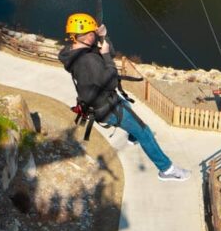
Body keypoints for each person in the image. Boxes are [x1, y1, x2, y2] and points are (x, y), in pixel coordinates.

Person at [59, 13, 191, 181]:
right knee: (145, 132)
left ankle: (132, 135)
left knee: (133, 117)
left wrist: (103, 37)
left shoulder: (72, 53)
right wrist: (105, 56)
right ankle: (167, 169)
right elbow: (112, 81)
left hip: (100, 102)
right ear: (86, 36)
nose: (94, 35)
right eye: (92, 33)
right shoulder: (89, 61)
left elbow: (109, 52)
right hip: (108, 108)